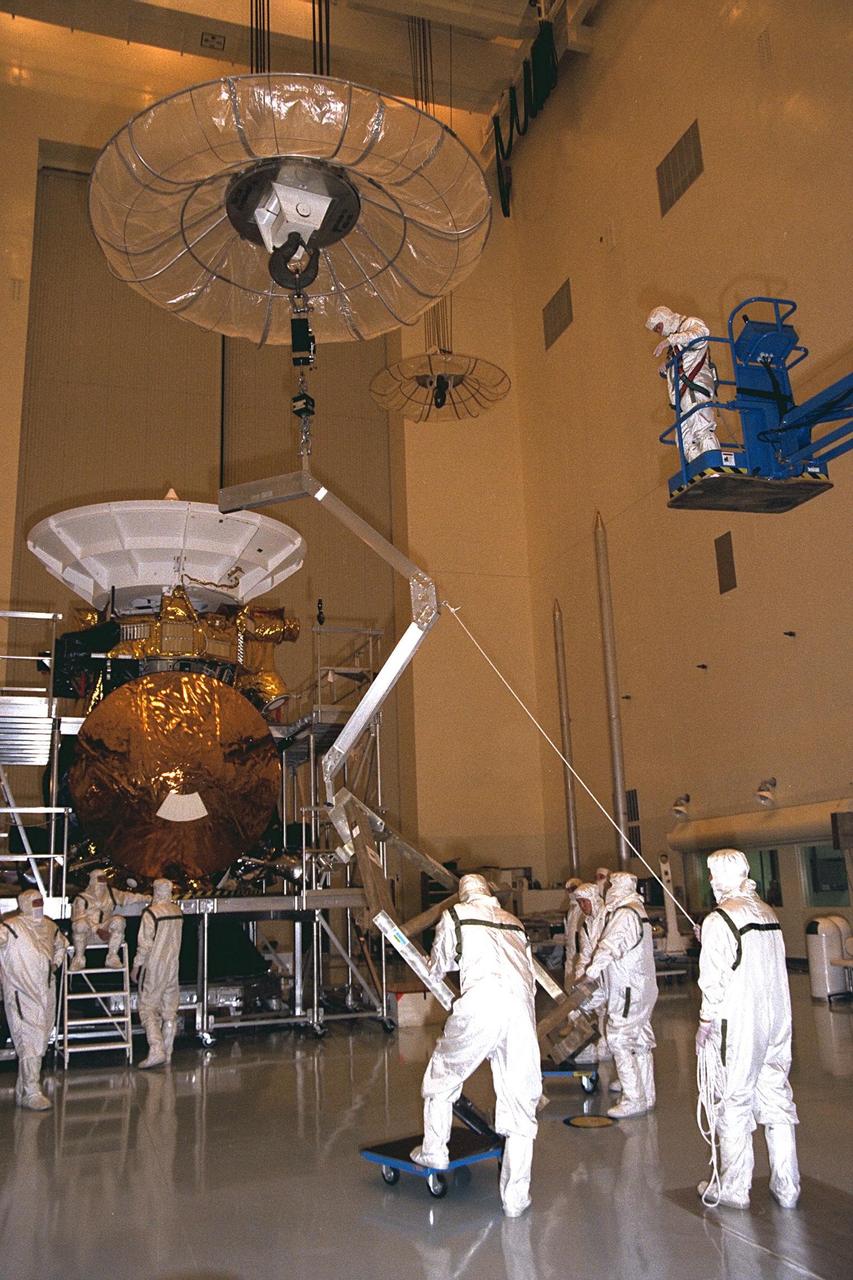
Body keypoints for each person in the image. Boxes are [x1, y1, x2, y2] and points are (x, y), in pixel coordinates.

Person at [411, 874, 542, 1218]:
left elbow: (439, 966)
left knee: (443, 1074)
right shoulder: (514, 922)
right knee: (520, 1103)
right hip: (522, 1013)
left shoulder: (455, 916)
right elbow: (528, 974)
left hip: (481, 1006)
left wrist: (432, 965)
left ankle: (435, 1150)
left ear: (464, 894)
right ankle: (515, 1198)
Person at [696, 848, 799, 1209]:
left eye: (711, 873)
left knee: (734, 1101)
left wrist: (706, 1022)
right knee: (776, 1099)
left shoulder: (719, 920)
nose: (710, 881)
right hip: (776, 1023)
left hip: (738, 1026)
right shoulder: (767, 913)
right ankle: (787, 1186)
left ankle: (735, 1188)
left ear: (722, 876)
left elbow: (714, 981)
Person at [584, 871, 657, 1117]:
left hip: (628, 989)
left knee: (619, 1038)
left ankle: (633, 1098)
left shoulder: (625, 914)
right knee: (641, 1040)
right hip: (643, 988)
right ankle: (645, 1092)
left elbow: (609, 946)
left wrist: (590, 973)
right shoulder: (639, 911)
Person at [0, 890, 66, 1109]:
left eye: (41, 902)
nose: (38, 906)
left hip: (46, 990)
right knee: (30, 1039)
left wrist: (54, 965)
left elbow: (61, 944)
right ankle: (32, 1091)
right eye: (34, 902)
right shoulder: (11, 927)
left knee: (41, 1036)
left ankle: (23, 1088)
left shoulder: (49, 926)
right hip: (21, 990)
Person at [645, 305, 721, 462]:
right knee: (684, 439)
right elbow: (684, 360)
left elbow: (702, 335)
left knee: (702, 428)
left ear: (665, 318)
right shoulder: (676, 340)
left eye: (658, 327)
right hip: (682, 397)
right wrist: (667, 368)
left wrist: (671, 340)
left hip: (694, 387)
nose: (659, 332)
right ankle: (697, 469)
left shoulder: (690, 324)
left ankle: (714, 462)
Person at [131, 878, 183, 1069]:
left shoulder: (151, 913)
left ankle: (156, 1049)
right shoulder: (177, 911)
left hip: (154, 966)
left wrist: (136, 966)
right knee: (169, 1010)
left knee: (147, 1008)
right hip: (173, 965)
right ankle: (168, 1052)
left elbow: (145, 944)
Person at [70, 869, 149, 970]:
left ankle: (112, 957)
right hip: (87, 933)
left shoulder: (111, 893)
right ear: (93, 880)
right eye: (100, 879)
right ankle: (79, 958)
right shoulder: (82, 898)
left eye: (104, 879)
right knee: (79, 924)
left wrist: (149, 898)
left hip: (107, 932)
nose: (103, 882)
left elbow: (128, 897)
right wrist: (97, 930)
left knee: (119, 921)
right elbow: (78, 917)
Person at [562, 877, 583, 987]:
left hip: (580, 950)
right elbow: (568, 930)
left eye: (573, 889)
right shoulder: (571, 909)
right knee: (569, 975)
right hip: (570, 949)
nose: (571, 892)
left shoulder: (583, 908)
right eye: (568, 890)